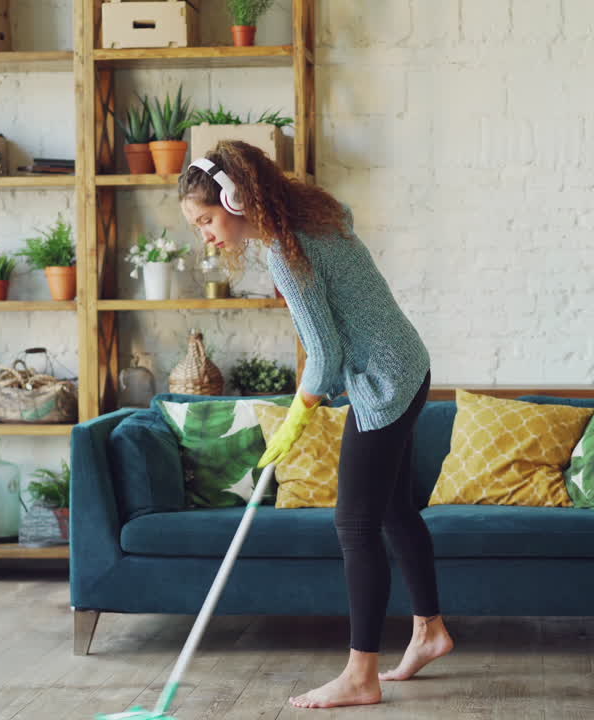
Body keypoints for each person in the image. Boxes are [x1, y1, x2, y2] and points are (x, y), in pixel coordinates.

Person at [178, 140, 455, 709]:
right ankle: (429, 631)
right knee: (396, 509)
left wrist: (298, 415)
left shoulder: (286, 248)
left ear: (235, 199)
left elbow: (324, 357)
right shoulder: (317, 213)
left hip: (382, 383)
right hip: (409, 364)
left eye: (206, 219)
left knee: (354, 525)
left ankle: (361, 675)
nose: (204, 234)